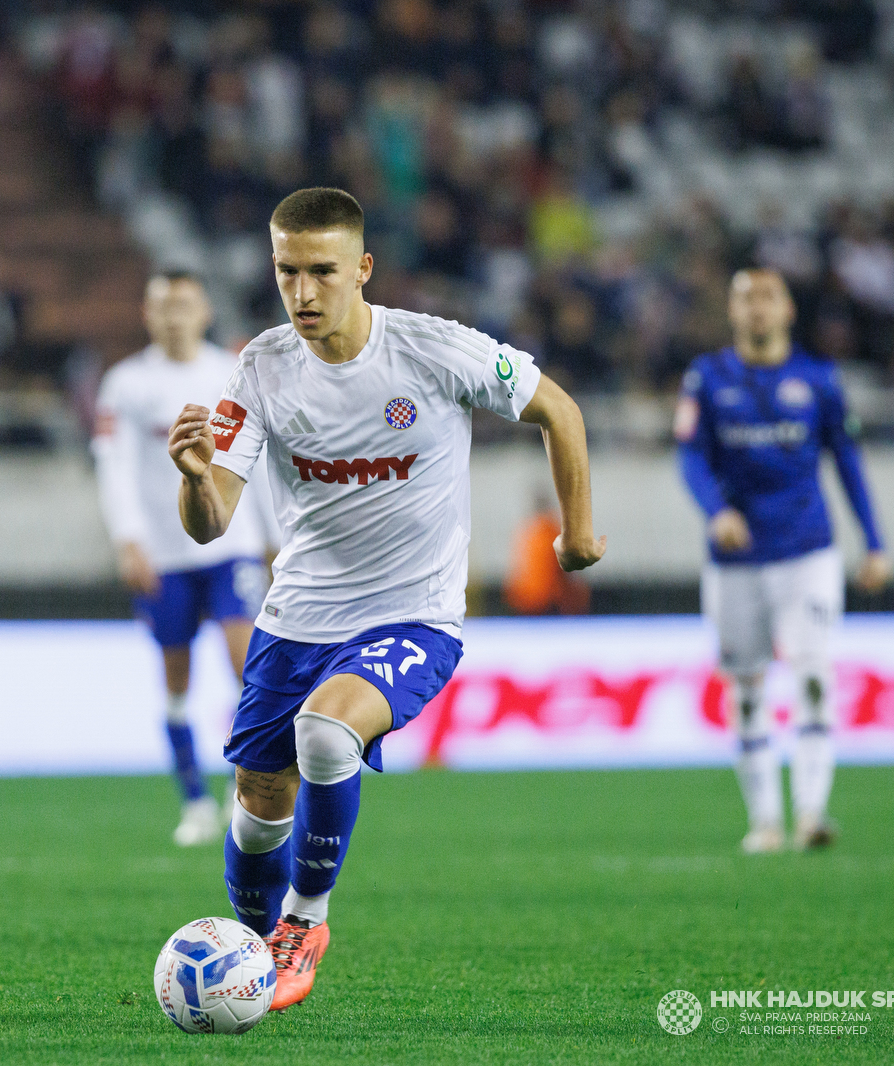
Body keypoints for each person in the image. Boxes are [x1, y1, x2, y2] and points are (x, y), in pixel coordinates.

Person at [169, 188, 604, 1010]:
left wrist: (577, 533)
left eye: (321, 272)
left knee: (326, 731)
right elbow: (210, 521)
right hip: (295, 618)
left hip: (414, 614)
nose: (302, 293)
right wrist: (195, 481)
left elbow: (559, 409)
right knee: (260, 809)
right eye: (286, 272)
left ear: (362, 269)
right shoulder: (260, 366)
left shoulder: (436, 351)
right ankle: (257, 952)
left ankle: (307, 918)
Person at [675, 268, 890, 854]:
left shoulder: (819, 379)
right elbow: (689, 459)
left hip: (806, 553)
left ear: (789, 309)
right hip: (735, 561)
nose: (757, 309)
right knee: (745, 689)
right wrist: (716, 511)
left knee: (815, 674)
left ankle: (813, 815)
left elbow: (847, 461)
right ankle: (765, 821)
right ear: (731, 311)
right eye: (745, 298)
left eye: (768, 297)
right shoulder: (707, 378)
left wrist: (874, 541)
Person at [93, 271, 278, 846]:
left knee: (245, 666)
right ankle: (194, 799)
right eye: (163, 306)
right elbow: (113, 465)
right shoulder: (124, 384)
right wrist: (128, 539)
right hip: (165, 554)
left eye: (185, 304)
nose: (174, 316)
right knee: (177, 680)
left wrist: (276, 538)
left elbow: (263, 460)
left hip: (234, 544)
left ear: (204, 311)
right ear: (147, 315)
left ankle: (240, 788)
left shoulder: (232, 371)